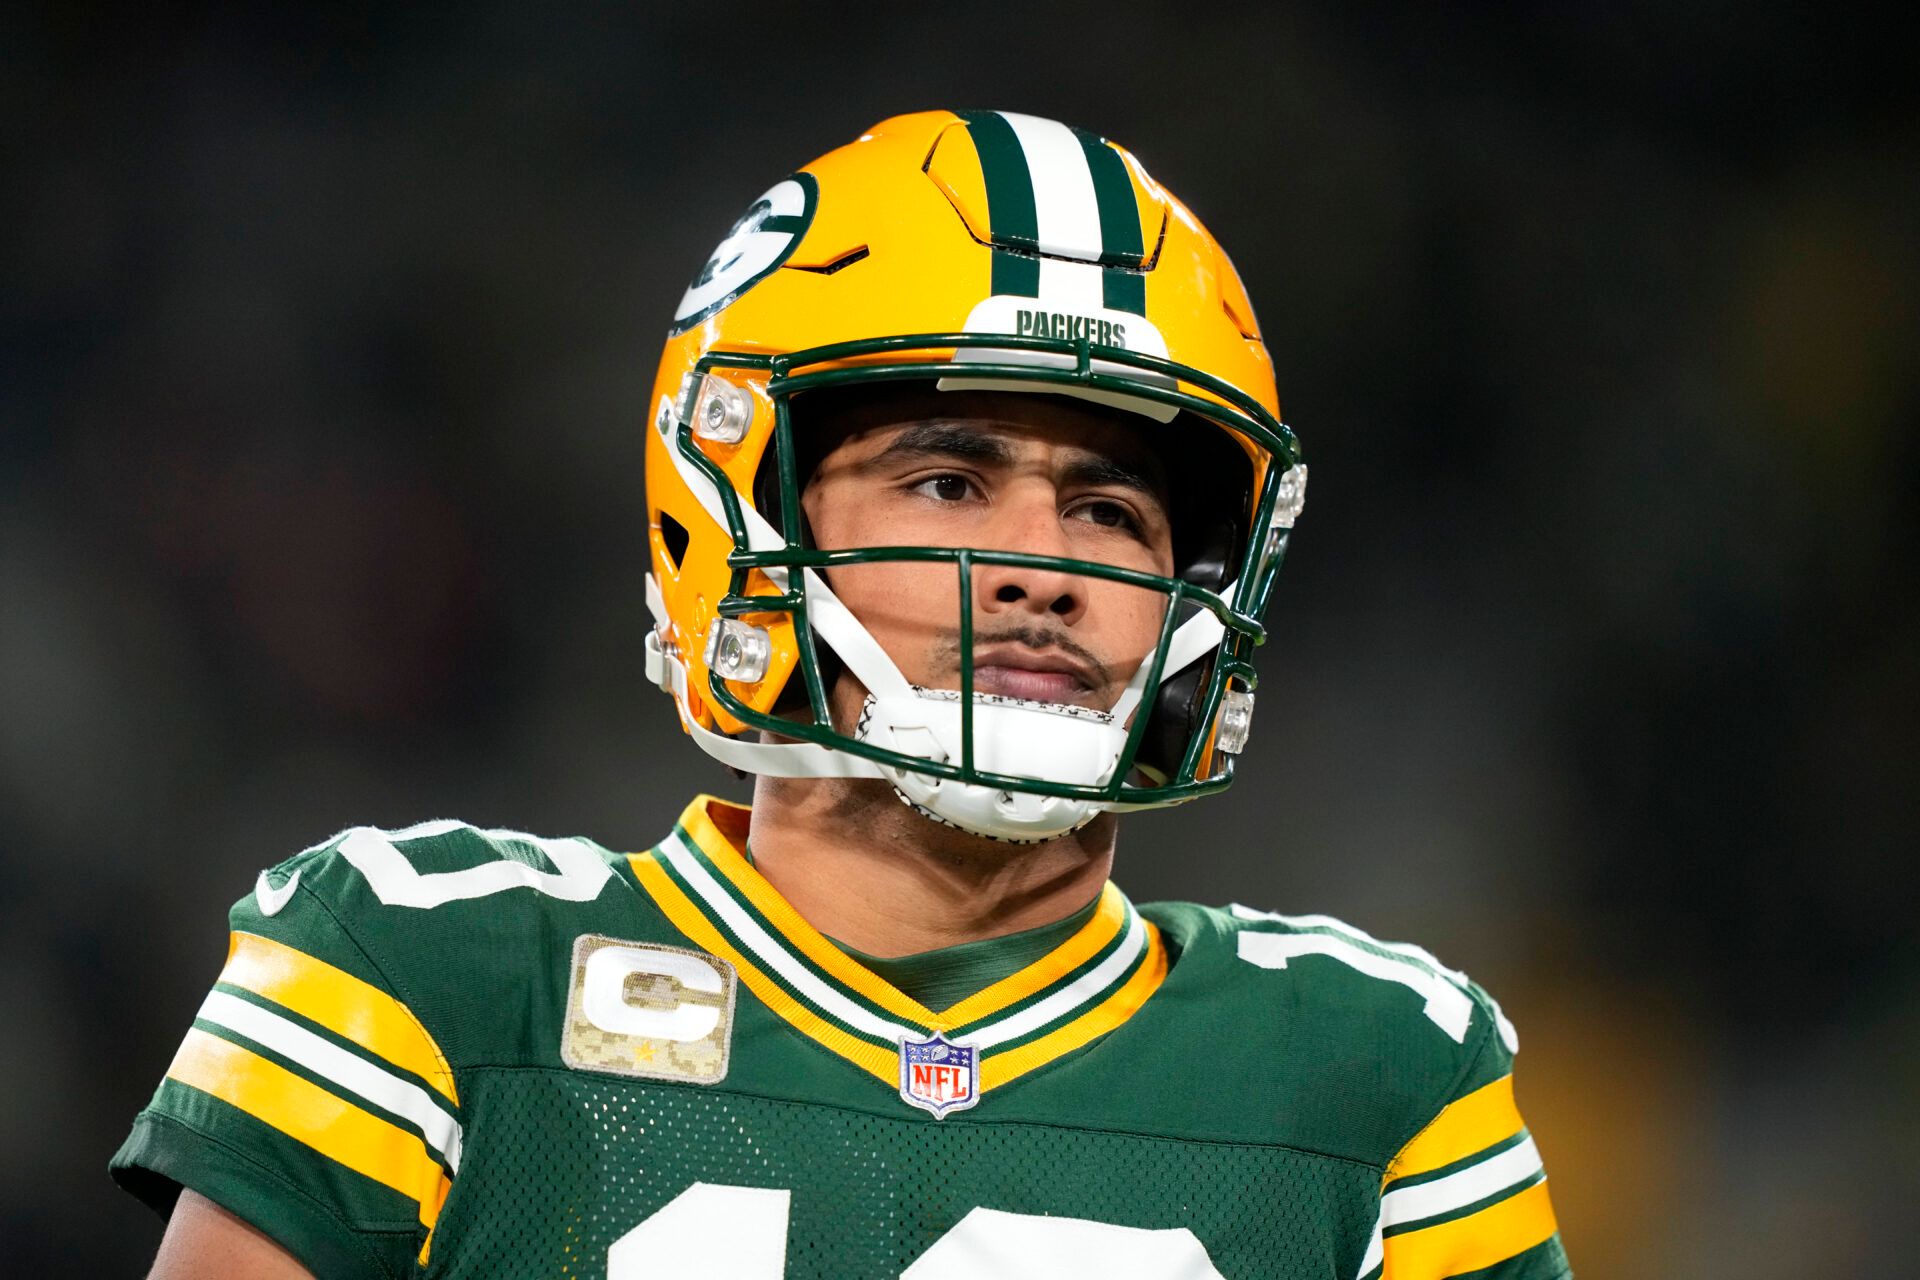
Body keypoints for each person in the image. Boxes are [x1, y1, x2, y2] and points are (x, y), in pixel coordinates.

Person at [112, 110, 1572, 1280]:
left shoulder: (1376, 1071)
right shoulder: (429, 972)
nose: (1040, 569)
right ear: (742, 512)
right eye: (949, 481)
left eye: (1112, 514)